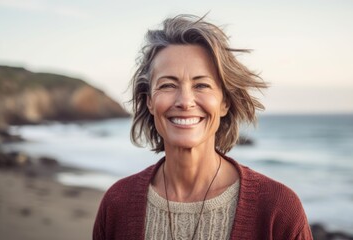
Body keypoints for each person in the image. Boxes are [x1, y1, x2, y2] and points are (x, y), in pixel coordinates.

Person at [93, 14, 313, 240]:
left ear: (225, 102)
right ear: (149, 101)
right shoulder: (117, 204)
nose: (185, 101)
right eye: (168, 85)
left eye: (201, 85)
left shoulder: (278, 209)